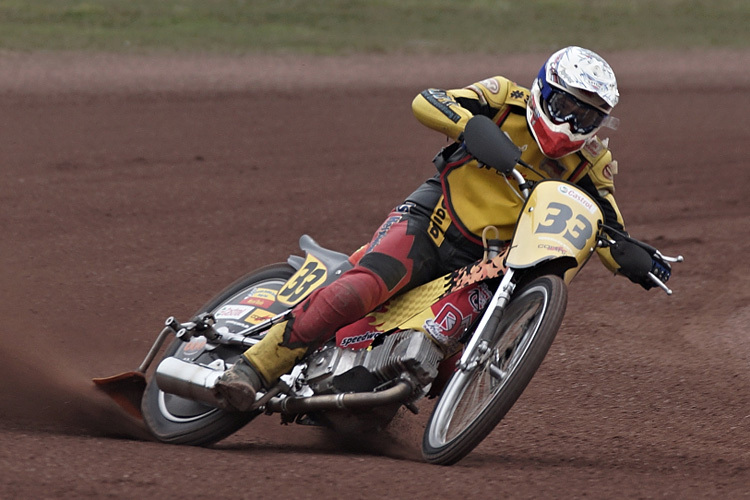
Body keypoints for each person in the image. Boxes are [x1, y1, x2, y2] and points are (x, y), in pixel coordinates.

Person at [214, 46, 670, 411]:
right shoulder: (502, 99)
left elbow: (604, 226)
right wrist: (473, 128)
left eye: (586, 117)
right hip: (432, 224)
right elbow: (427, 100)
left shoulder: (592, 164)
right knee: (359, 290)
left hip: (489, 265)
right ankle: (252, 370)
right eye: (566, 106)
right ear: (542, 90)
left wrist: (635, 259)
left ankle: (377, 391)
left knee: (455, 354)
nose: (572, 123)